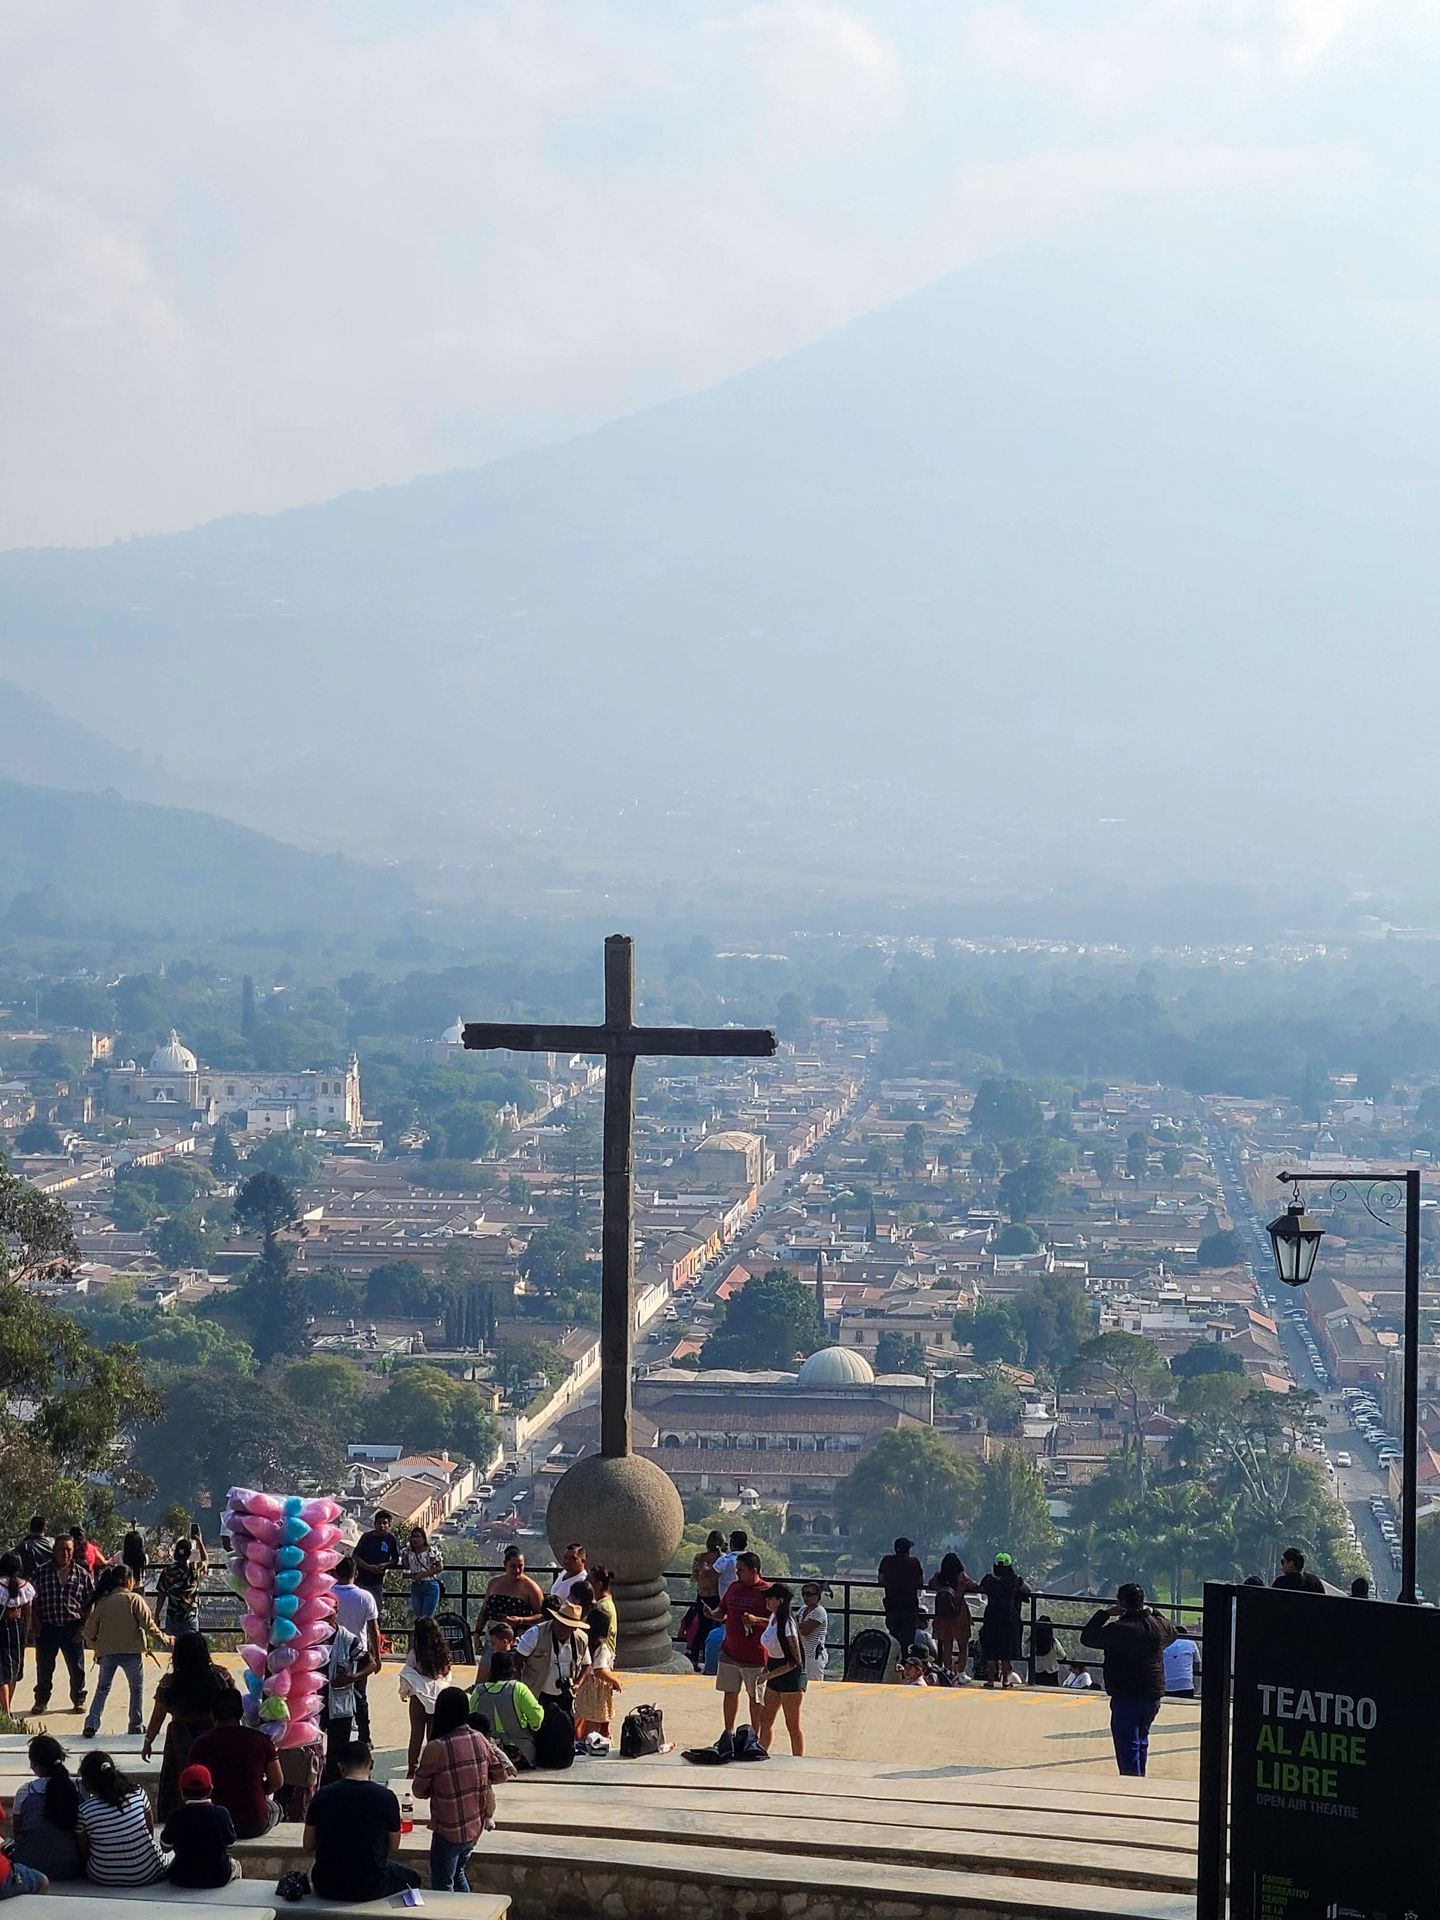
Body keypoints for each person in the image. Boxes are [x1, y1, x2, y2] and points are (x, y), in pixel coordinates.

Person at [303, 1739, 421, 1902]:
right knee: (413, 1878)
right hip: (371, 1885)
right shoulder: (386, 1798)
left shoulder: (322, 1795)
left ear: (340, 1767)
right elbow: (394, 1847)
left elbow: (308, 1845)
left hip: (326, 1884)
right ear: (371, 1765)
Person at [1080, 1583, 1177, 1777]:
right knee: (1141, 1740)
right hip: (1152, 1693)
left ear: (1122, 1603)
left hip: (1126, 1694)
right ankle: (1140, 1779)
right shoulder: (1158, 1626)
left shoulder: (1118, 1629)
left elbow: (1087, 1637)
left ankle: (1132, 1784)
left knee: (1127, 1746)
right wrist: (1153, 1611)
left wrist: (1105, 1614)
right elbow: (1173, 1631)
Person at [142, 1632, 239, 1820]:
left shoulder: (169, 1683)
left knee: (180, 1780)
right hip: (213, 1736)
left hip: (180, 1740)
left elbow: (158, 1716)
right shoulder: (220, 1677)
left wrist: (148, 1741)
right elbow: (233, 1704)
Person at [413, 1685, 495, 1891]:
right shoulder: (479, 1738)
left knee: (443, 1885)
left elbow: (418, 1790)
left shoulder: (436, 1747)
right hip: (474, 1825)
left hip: (448, 1829)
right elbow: (499, 1772)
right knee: (458, 1873)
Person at [82, 1561, 168, 1738]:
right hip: (132, 1652)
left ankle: (91, 1724)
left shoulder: (103, 1602)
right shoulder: (134, 1600)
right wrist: (165, 1639)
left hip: (107, 1653)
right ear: (128, 1580)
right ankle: (135, 1725)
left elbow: (88, 1632)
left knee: (102, 1689)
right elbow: (149, 1626)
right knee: (136, 1689)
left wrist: (97, 1648)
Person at [189, 1686, 285, 1838]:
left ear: (213, 1715)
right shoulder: (261, 1740)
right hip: (254, 1823)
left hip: (213, 1824)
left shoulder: (200, 1744)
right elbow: (277, 1782)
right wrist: (258, 1792)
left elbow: (193, 1786)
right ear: (241, 1713)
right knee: (276, 1808)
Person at [76, 1750, 172, 1886]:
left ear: (88, 1782)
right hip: (149, 1871)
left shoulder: (85, 1811)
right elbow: (149, 1831)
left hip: (104, 1875)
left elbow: (84, 1851)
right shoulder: (138, 1794)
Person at [29, 1533, 93, 1717]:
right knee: (44, 1667)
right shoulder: (41, 1572)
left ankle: (78, 1699)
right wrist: (35, 1621)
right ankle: (41, 1701)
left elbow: (90, 1601)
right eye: (61, 1549)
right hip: (47, 1627)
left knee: (77, 1668)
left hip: (72, 1628)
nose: (65, 1553)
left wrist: (84, 1626)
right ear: (54, 1550)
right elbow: (31, 1599)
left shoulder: (81, 1574)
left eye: (69, 1550)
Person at [711, 1550, 770, 1745]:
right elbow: (722, 1610)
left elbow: (778, 1622)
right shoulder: (734, 1587)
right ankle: (728, 1733)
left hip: (755, 1657)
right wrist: (713, 1614)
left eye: (741, 1570)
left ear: (754, 1571)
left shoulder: (767, 1592)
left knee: (755, 1698)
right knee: (729, 1693)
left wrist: (756, 1620)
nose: (737, 1574)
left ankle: (754, 1737)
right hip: (730, 1651)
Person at [8, 1734, 82, 1881]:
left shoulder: (25, 1791)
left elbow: (18, 1832)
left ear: (34, 1764)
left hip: (28, 1867)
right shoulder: (76, 1788)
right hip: (68, 1867)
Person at [331, 1555, 382, 1746]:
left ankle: (334, 1735)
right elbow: (373, 1629)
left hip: (331, 1650)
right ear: (356, 1574)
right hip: (358, 1653)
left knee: (331, 1693)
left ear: (335, 1573)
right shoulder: (365, 1597)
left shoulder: (328, 1594)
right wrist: (377, 1657)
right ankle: (364, 1738)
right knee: (360, 1696)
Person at [161, 1763, 238, 1889]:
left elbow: (165, 1847)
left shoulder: (175, 1816)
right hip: (218, 1877)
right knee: (236, 1865)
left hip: (182, 1876)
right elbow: (231, 1843)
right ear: (211, 1789)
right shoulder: (221, 1813)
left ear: (181, 1791)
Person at [397, 1616, 453, 1776]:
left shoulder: (415, 1654)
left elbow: (408, 1672)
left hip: (418, 1696)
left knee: (416, 1735)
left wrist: (404, 1691)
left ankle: (412, 1769)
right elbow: (447, 1672)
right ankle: (433, 1768)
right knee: (433, 1736)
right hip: (438, 1696)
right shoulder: (444, 1653)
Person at [469, 1651, 544, 1769]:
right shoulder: (518, 1688)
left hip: (488, 1754)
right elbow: (537, 1717)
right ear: (512, 1670)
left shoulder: (478, 1691)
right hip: (520, 1754)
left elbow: (471, 1720)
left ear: (491, 1670)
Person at [757, 1582, 807, 1755]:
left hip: (790, 1677)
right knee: (765, 1720)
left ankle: (798, 1758)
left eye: (770, 1598)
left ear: (780, 1600)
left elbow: (795, 1661)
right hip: (774, 1671)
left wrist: (768, 1675)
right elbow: (773, 1650)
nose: (767, 1601)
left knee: (792, 1725)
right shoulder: (773, 1618)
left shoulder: (787, 1625)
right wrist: (767, 1671)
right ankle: (761, 1752)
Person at [320, 1618, 372, 1783]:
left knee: (337, 1758)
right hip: (314, 1707)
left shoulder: (347, 1639)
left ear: (336, 1612)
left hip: (340, 1708)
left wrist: (352, 1678)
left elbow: (371, 1663)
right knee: (311, 1755)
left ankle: (335, 1789)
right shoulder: (312, 1636)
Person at [516, 1596, 590, 1707]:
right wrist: (520, 1688)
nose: (561, 1628)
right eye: (559, 1623)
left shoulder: (581, 1639)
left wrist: (577, 1684)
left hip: (565, 1697)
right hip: (535, 1694)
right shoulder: (535, 1634)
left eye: (566, 1626)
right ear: (554, 1619)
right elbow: (517, 1661)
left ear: (574, 1628)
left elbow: (587, 1665)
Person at [573, 1594, 623, 1743]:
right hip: (596, 1693)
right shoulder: (602, 1647)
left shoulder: (584, 1642)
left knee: (584, 1720)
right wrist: (615, 1680)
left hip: (585, 1689)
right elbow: (600, 1670)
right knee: (593, 1725)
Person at [978, 1554, 1031, 1688]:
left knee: (990, 1650)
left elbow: (980, 1588)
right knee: (1006, 1651)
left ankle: (990, 1680)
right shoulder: (1014, 1580)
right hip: (1009, 1618)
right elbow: (1028, 1589)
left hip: (991, 1617)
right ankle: (1005, 1680)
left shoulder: (989, 1580)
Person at [477, 1545, 545, 1635]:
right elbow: (484, 1611)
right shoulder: (493, 1583)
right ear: (505, 1564)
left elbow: (542, 1617)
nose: (517, 1570)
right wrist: (477, 1632)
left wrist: (520, 1620)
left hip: (519, 1637)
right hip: (492, 1636)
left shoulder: (531, 1588)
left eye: (520, 1566)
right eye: (513, 1566)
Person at [928, 1554, 978, 1675]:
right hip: (960, 1614)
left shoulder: (939, 1578)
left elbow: (931, 1584)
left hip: (943, 1616)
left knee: (947, 1645)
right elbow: (974, 1586)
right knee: (963, 1645)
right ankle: (961, 1673)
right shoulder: (961, 1577)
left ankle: (948, 1671)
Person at [0, 1552, 35, 1717]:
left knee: (2, 1674)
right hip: (18, 1633)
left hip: (2, 1632)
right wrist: (28, 1633)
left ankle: (5, 1711)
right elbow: (29, 1613)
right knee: (14, 1671)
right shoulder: (26, 1587)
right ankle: (8, 1709)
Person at [877, 1537, 925, 1651]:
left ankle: (894, 1659)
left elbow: (881, 1579)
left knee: (893, 1637)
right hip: (909, 1606)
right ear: (908, 1550)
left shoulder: (886, 1561)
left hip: (892, 1605)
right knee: (908, 1641)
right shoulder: (914, 1562)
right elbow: (920, 1581)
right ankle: (905, 1660)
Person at [353, 1510, 402, 1607]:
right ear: (375, 1524)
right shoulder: (366, 1537)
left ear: (389, 1526)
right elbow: (355, 1556)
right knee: (360, 1608)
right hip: (360, 1581)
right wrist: (368, 1567)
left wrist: (384, 1565)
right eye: (379, 1522)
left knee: (376, 1609)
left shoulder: (391, 1539)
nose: (381, 1525)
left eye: (385, 1523)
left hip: (377, 1582)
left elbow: (395, 1559)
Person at [154, 1539, 201, 1638]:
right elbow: (205, 1561)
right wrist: (199, 1540)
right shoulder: (194, 1570)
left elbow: (161, 1596)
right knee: (192, 1645)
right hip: (190, 1617)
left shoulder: (167, 1571)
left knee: (174, 1646)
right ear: (189, 1554)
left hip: (173, 1617)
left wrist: (156, 1615)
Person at [402, 1527, 444, 1622]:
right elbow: (406, 1566)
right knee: (419, 1616)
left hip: (430, 1585)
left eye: (418, 1537)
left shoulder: (431, 1550)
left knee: (426, 1617)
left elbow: (440, 1567)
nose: (415, 1539)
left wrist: (424, 1574)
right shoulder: (407, 1552)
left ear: (423, 1539)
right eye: (413, 1537)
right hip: (416, 1586)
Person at [798, 1582, 829, 1683]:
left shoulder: (819, 1611)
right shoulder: (803, 1609)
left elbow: (804, 1631)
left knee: (814, 1683)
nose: (806, 1597)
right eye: (804, 1594)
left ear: (818, 1596)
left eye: (809, 1594)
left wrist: (797, 1626)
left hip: (814, 1654)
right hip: (803, 1653)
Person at [474, 1618, 518, 1684]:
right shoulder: (515, 1655)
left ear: (504, 1642)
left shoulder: (509, 1659)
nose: (491, 1646)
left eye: (493, 1643)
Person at [1162, 1626, 1201, 1700]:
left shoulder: (1165, 1644)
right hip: (1186, 1686)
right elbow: (1197, 1665)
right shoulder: (1191, 1644)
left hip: (1165, 1686)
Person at [1028, 1616, 1065, 1685]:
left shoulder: (1031, 1642)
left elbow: (1026, 1655)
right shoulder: (1053, 1642)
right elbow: (1063, 1656)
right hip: (1051, 1674)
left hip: (1037, 1673)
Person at [712, 1530, 748, 1601]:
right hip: (747, 1599)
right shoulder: (752, 1559)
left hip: (727, 1600)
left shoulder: (725, 1560)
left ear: (731, 1544)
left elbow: (712, 1573)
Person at [13, 1518, 51, 1585]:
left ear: (30, 1528)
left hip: (29, 1585)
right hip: (49, 1582)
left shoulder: (23, 1546)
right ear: (45, 1529)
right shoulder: (54, 1543)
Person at [693, 1531, 725, 1605]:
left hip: (702, 1595)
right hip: (718, 1596)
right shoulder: (724, 1559)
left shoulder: (699, 1558)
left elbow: (695, 1577)